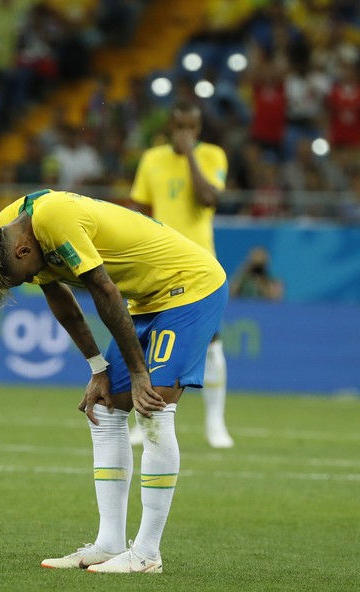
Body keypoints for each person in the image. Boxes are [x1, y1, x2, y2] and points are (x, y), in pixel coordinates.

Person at [0, 189, 228, 573]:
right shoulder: (13, 225)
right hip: (145, 300)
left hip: (189, 287)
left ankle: (146, 553)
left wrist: (139, 374)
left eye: (20, 280)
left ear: (22, 251)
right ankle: (109, 544)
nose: (28, 282)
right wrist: (97, 367)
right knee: (103, 408)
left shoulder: (54, 220)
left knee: (152, 406)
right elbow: (63, 302)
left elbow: (105, 291)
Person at [128, 99, 234, 449]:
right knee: (145, 345)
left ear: (198, 129)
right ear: (169, 126)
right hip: (157, 264)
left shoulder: (213, 155)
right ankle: (142, 422)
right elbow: (140, 211)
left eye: (191, 127)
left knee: (212, 345)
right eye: (179, 126)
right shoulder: (151, 158)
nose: (185, 133)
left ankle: (215, 423)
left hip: (201, 266)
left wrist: (189, 155)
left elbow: (208, 198)